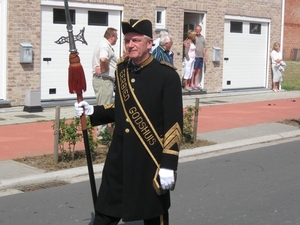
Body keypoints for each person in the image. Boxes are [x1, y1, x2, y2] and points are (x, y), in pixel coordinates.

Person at [75, 18, 183, 225]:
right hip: (120, 156)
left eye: (136, 40)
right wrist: (92, 112)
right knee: (105, 211)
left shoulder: (166, 76)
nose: (130, 45)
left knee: (154, 213)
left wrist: (168, 164)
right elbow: (122, 109)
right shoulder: (122, 69)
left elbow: (174, 124)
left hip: (149, 159)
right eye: (127, 41)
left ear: (149, 43)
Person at [92, 27, 118, 142]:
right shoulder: (104, 45)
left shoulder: (104, 44)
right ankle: (102, 137)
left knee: (103, 105)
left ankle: (103, 133)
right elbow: (103, 59)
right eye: (116, 37)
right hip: (104, 80)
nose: (117, 39)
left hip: (105, 80)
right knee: (103, 106)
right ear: (111, 36)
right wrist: (105, 69)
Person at [184, 25, 207, 90]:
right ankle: (191, 84)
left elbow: (204, 47)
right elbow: (186, 41)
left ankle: (196, 84)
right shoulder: (193, 37)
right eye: (196, 29)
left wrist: (205, 55)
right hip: (195, 56)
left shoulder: (202, 37)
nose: (197, 30)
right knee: (193, 70)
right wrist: (184, 43)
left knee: (198, 70)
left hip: (201, 56)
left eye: (198, 29)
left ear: (200, 30)